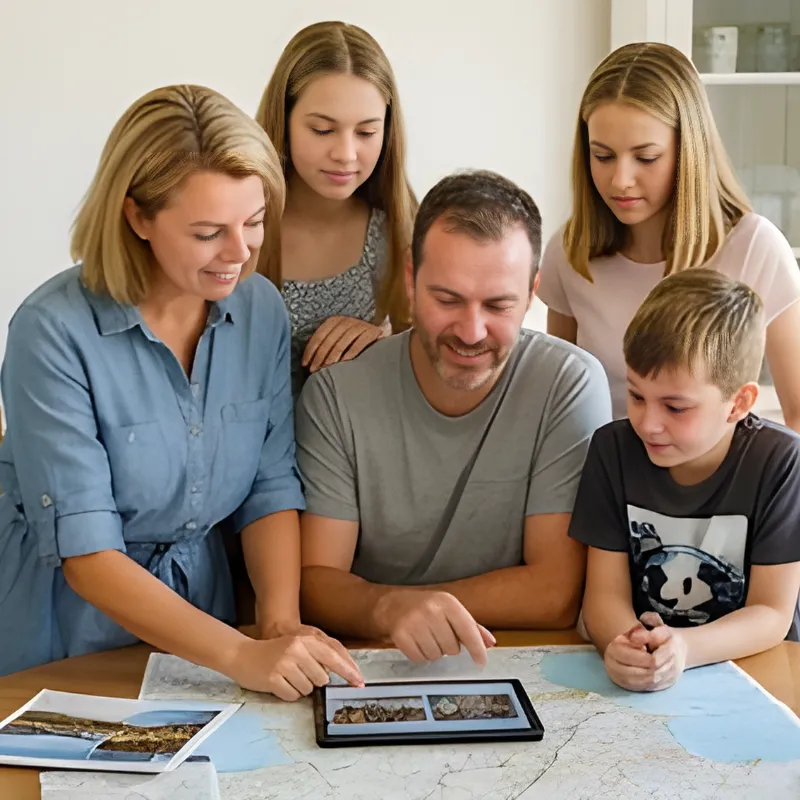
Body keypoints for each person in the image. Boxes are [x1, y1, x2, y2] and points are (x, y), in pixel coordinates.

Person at [0, 84, 363, 698]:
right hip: (62, 626)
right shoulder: (51, 330)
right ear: (137, 216)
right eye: (207, 232)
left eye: (254, 222)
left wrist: (278, 623)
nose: (240, 252)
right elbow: (86, 552)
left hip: (208, 622)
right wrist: (242, 654)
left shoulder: (259, 310)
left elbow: (270, 485)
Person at [295, 169, 612, 665]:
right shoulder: (336, 395)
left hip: (512, 657)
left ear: (532, 293)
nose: (471, 331)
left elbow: (555, 594)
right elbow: (316, 584)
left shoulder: (569, 384)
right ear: (410, 280)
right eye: (447, 300)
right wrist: (390, 611)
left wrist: (398, 605)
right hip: (371, 661)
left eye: (499, 305)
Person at [538, 42, 800, 430]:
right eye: (603, 156)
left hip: (724, 470)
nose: (620, 180)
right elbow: (562, 406)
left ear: (688, 151)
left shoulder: (754, 248)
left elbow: (797, 413)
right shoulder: (570, 252)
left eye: (646, 158)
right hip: (605, 467)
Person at [571, 269, 800, 693]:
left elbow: (772, 613)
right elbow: (603, 596)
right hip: (647, 677)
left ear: (739, 403)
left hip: (754, 677)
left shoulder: (781, 461)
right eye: (636, 396)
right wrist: (625, 646)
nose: (648, 424)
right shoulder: (612, 450)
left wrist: (684, 649)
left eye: (675, 407)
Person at [256, 20, 417, 396]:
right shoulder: (237, 224)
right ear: (284, 120)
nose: (345, 154)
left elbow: (429, 364)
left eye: (366, 133)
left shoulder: (400, 231)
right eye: (322, 130)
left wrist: (383, 343)